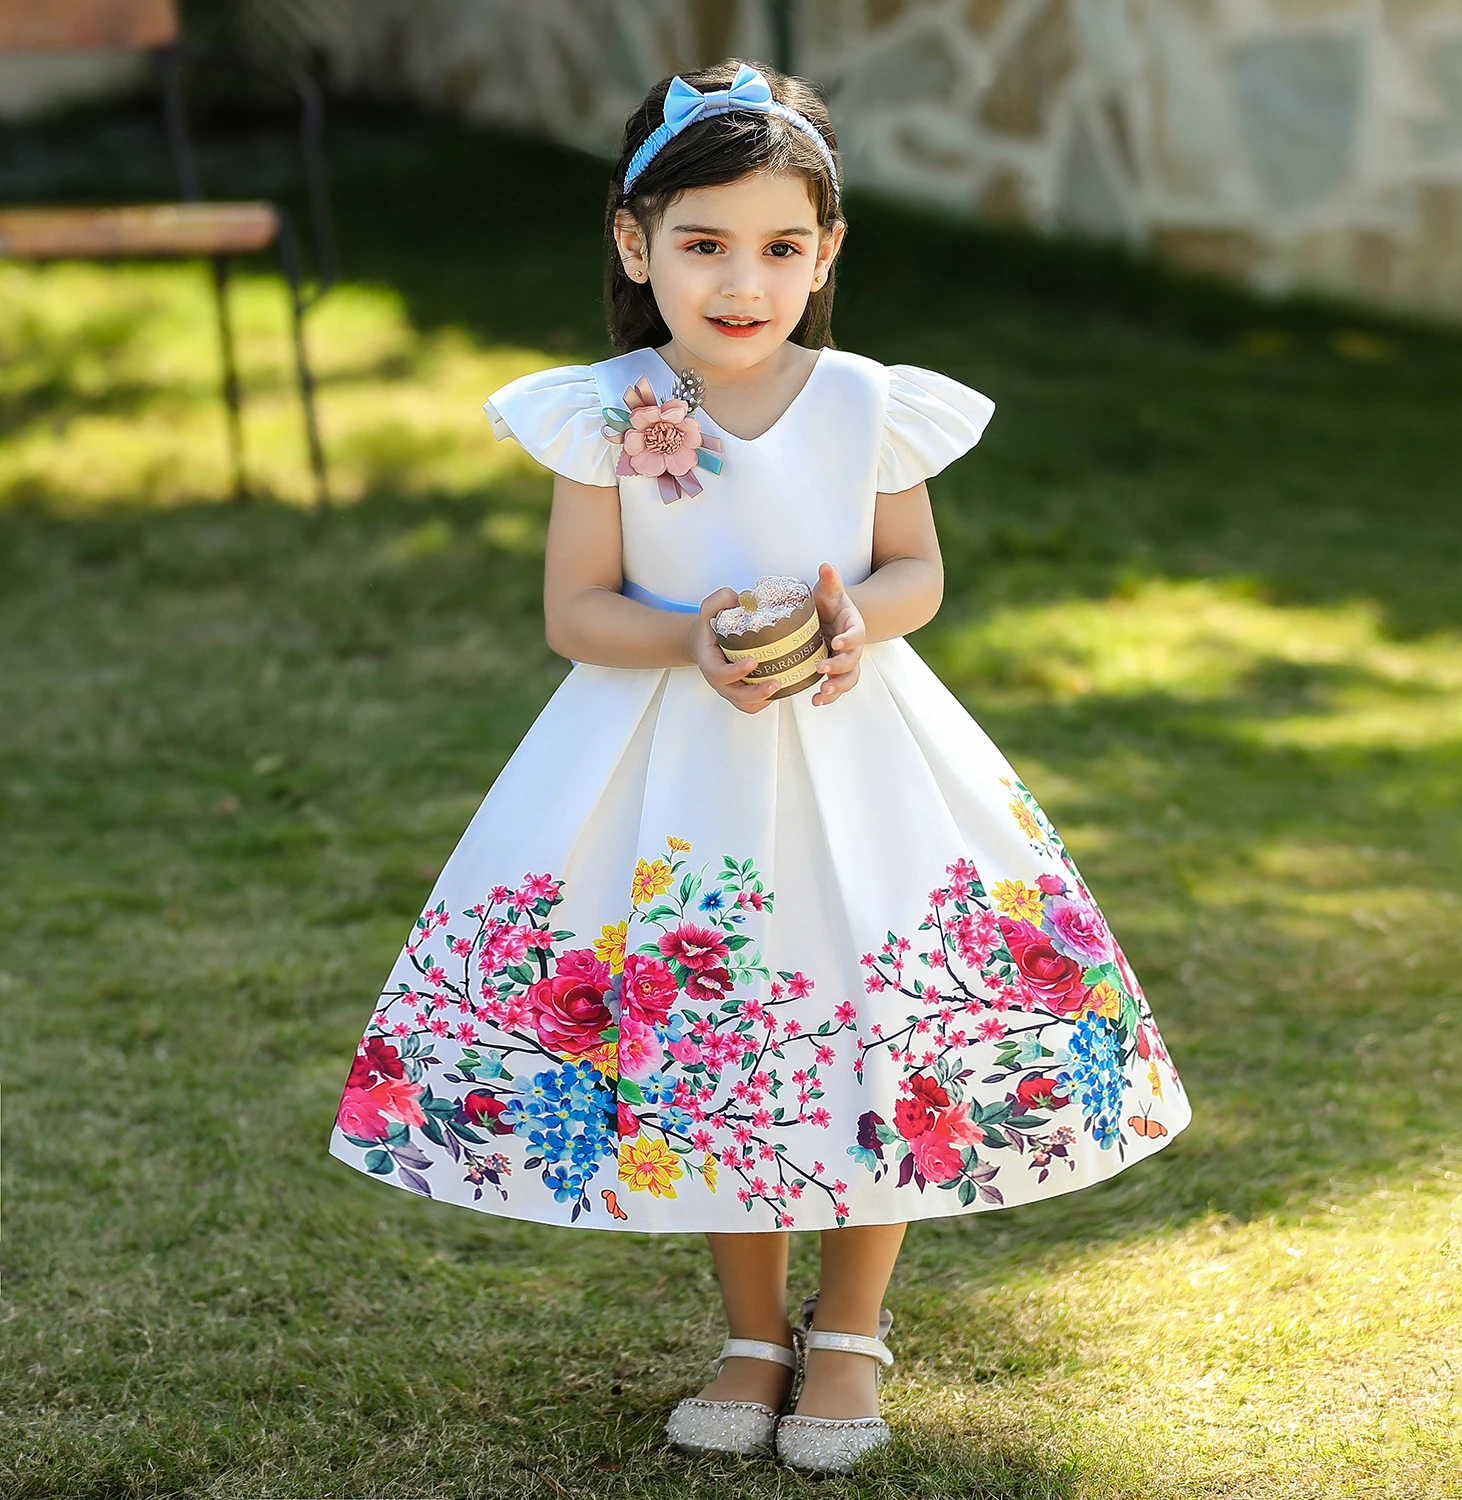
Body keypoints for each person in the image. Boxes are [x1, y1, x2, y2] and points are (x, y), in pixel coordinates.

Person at [329, 58, 1191, 1475]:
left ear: (827, 251)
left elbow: (914, 568)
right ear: (635, 244)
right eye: (705, 244)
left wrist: (861, 615)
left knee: (878, 1025)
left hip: (863, 761)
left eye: (781, 247)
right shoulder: (606, 414)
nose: (744, 281)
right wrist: (695, 640)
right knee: (720, 1034)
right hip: (683, 780)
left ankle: (849, 1328)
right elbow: (576, 615)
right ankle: (749, 1329)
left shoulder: (865, 404)